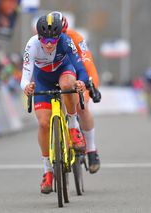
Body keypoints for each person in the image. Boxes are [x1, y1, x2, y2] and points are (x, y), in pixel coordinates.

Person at [20, 13, 89, 194]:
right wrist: (27, 87)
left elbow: (80, 67)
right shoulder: (32, 44)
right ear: (39, 37)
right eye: (45, 39)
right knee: (43, 123)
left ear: (59, 36)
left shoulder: (66, 42)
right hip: (43, 79)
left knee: (68, 85)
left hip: (63, 71)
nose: (49, 44)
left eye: (53, 39)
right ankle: (48, 171)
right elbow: (25, 76)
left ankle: (73, 127)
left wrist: (81, 82)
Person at [50, 11, 101, 174]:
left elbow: (87, 62)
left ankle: (91, 150)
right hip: (57, 75)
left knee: (81, 106)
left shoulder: (76, 37)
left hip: (78, 74)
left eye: (63, 33)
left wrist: (90, 85)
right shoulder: (44, 39)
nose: (60, 38)